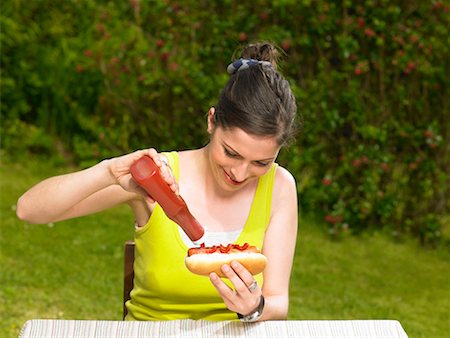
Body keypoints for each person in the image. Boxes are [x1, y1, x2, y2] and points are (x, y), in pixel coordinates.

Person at [16, 42, 300, 322]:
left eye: (261, 162)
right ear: (211, 122)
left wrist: (256, 308)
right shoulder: (158, 177)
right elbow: (29, 210)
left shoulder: (279, 187)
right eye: (231, 152)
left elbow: (278, 302)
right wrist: (107, 171)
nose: (240, 173)